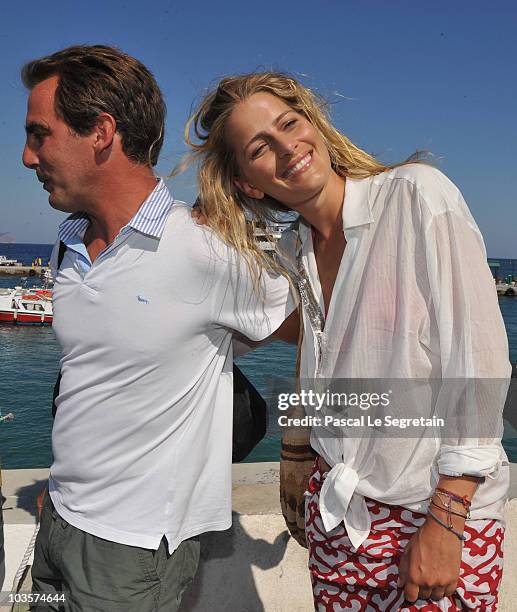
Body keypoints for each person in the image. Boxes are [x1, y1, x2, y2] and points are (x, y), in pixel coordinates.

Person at [185, 72, 511, 610]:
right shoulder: (293, 253)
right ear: (248, 183)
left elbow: (478, 360)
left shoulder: (414, 196)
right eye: (260, 148)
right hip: (337, 522)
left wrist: (447, 521)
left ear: (314, 123)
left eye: (289, 124)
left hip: (431, 514)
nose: (287, 147)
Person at [21, 49, 295, 611]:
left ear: (100, 132)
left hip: (133, 552)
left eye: (40, 135)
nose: (28, 157)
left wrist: (306, 446)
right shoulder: (68, 245)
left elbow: (319, 324)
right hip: (59, 522)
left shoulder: (204, 251)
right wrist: (62, 493)